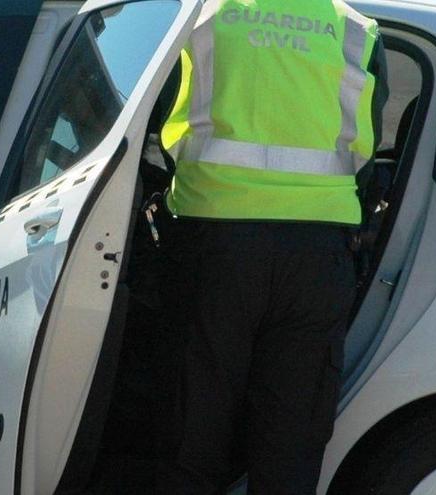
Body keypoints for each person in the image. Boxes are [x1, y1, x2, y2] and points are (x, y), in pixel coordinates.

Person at [157, 0, 388, 493]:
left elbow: (149, 126)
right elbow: (370, 146)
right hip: (318, 251)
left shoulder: (200, 16)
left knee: (195, 419)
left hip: (216, 238)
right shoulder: (356, 28)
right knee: (293, 431)